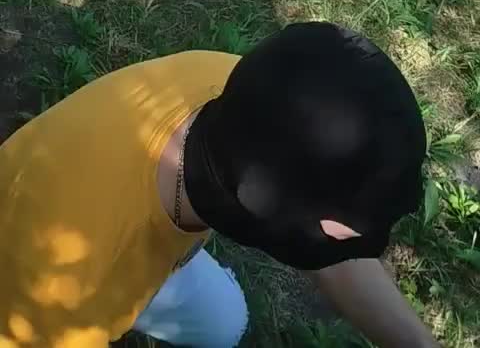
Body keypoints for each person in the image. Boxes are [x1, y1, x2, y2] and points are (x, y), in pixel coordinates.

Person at [0, 22, 440, 348]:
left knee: (224, 322)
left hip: (119, 243)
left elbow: (340, 258)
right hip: (43, 270)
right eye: (342, 231)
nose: (359, 243)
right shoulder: (56, 286)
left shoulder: (251, 93)